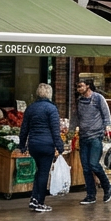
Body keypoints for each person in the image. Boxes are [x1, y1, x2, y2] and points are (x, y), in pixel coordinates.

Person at [20, 83, 66, 213]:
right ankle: (39, 202)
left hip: (34, 145)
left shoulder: (31, 108)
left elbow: (24, 129)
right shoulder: (51, 109)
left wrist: (22, 145)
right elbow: (55, 131)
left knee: (39, 172)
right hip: (47, 146)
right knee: (43, 174)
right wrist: (60, 146)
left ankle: (34, 199)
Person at [73, 79, 111, 205]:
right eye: (77, 86)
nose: (78, 89)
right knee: (86, 168)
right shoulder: (79, 101)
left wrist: (107, 126)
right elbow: (76, 117)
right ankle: (91, 195)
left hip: (96, 136)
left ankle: (107, 187)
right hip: (83, 137)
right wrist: (71, 130)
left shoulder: (98, 98)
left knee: (93, 164)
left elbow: (106, 114)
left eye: (80, 86)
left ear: (88, 86)